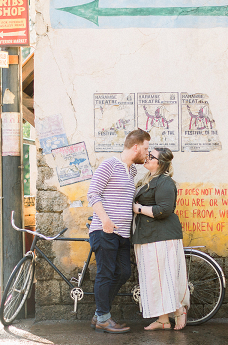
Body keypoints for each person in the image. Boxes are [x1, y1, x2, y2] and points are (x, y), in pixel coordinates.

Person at [87, 128, 150, 334]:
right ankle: (104, 318)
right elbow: (93, 193)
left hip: (123, 233)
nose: (147, 153)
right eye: (145, 148)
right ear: (135, 147)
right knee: (105, 273)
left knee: (123, 272)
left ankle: (100, 313)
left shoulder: (131, 171)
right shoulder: (110, 164)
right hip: (105, 230)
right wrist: (105, 219)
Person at [131, 147, 190, 331]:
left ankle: (179, 311)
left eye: (151, 156)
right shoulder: (149, 179)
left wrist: (138, 209)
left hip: (162, 237)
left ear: (160, 162)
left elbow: (164, 210)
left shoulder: (165, 182)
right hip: (148, 236)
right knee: (154, 279)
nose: (147, 158)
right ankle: (163, 320)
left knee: (166, 277)